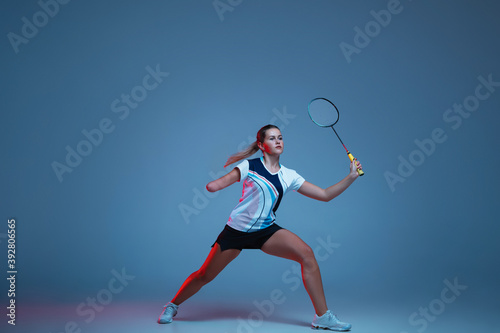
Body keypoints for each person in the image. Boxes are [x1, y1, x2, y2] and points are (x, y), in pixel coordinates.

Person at [158, 124, 362, 331]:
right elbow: (218, 184)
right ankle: (172, 305)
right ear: (261, 145)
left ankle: (323, 317)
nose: (278, 141)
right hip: (236, 232)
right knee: (205, 275)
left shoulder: (289, 175)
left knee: (307, 254)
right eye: (272, 138)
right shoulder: (250, 166)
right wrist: (213, 186)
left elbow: (325, 195)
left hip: (266, 231)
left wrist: (351, 176)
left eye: (280, 137)